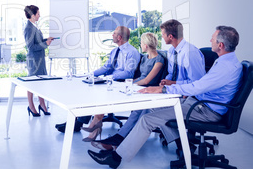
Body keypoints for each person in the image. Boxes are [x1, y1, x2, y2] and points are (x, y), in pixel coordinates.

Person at [87, 26, 242, 169]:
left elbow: (197, 86)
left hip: (204, 109)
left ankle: (115, 157)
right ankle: (184, 143)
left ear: (220, 45)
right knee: (149, 107)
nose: (210, 41)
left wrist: (166, 88)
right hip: (198, 103)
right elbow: (201, 85)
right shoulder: (225, 62)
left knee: (147, 120)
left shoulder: (225, 67)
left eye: (213, 39)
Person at [91, 19, 206, 151]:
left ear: (170, 36)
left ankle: (119, 141)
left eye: (162, 34)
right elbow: (171, 73)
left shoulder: (190, 53)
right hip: (173, 90)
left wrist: (172, 84)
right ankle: (184, 146)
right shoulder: (172, 52)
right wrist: (166, 81)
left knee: (148, 109)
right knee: (144, 108)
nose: (160, 37)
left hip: (187, 96)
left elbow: (197, 83)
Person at [56, 26, 140, 133]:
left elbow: (129, 73)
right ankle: (76, 121)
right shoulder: (115, 51)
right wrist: (90, 74)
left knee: (92, 94)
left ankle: (78, 123)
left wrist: (109, 77)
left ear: (119, 37)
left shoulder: (132, 52)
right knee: (86, 91)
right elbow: (106, 68)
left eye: (114, 33)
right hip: (109, 81)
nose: (112, 35)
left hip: (120, 83)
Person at [81, 32, 165, 141]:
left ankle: (106, 132)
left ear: (146, 45)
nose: (140, 44)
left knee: (113, 97)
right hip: (136, 84)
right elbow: (138, 76)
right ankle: (96, 124)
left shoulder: (158, 60)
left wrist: (129, 83)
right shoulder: (144, 58)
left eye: (141, 43)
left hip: (145, 87)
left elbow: (146, 80)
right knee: (102, 92)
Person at [24, 5, 54, 117]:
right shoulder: (28, 28)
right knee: (31, 83)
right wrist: (45, 44)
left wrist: (46, 40)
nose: (39, 15)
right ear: (32, 15)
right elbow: (31, 47)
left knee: (42, 82)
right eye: (38, 13)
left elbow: (38, 41)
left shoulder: (34, 26)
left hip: (40, 59)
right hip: (34, 60)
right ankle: (31, 106)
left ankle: (42, 105)